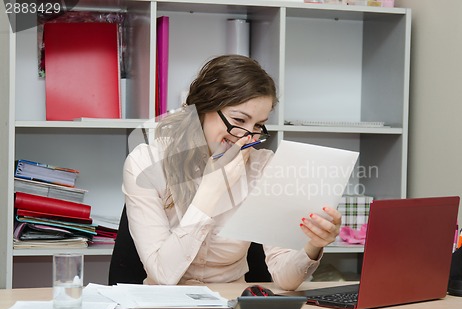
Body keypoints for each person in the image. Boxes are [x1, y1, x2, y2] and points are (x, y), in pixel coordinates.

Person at [122, 54, 342, 291]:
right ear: (203, 109)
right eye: (239, 119)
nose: (248, 137)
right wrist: (210, 190)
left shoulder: (263, 167)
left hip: (232, 307)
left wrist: (312, 245)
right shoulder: (146, 162)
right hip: (162, 308)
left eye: (258, 125)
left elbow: (284, 278)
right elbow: (163, 275)